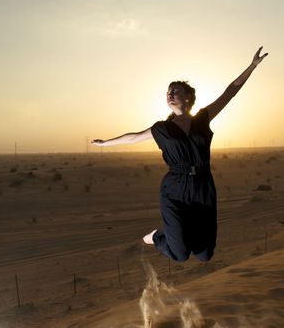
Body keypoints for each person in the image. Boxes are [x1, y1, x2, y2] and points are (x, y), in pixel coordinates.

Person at [91, 46, 268, 262]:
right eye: (168, 91)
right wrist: (105, 143)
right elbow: (134, 137)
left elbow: (229, 92)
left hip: (203, 187)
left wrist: (252, 66)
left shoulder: (202, 119)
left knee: (204, 254)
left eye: (175, 91)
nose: (170, 94)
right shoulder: (162, 129)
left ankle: (180, 236)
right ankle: (157, 236)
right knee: (181, 254)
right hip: (175, 188)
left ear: (188, 98)